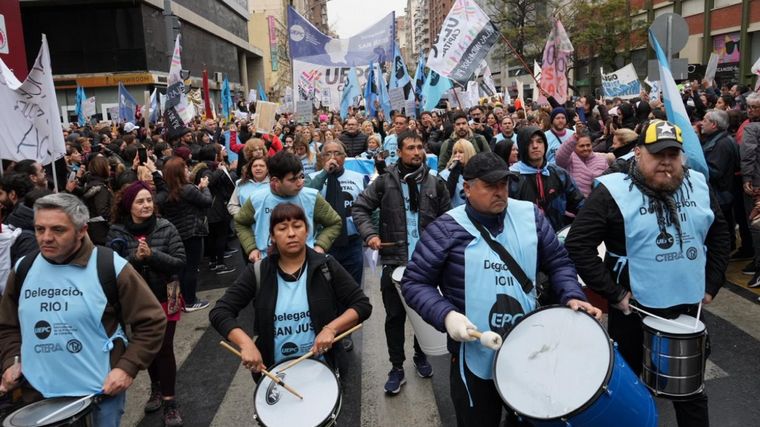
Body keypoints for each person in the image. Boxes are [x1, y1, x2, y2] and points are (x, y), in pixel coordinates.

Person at [401, 152, 601, 427]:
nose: (500, 192)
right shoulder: (446, 228)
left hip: (530, 347)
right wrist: (447, 316)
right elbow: (415, 282)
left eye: (504, 184)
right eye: (490, 186)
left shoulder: (530, 216)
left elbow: (558, 262)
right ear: (467, 189)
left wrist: (572, 295)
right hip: (474, 352)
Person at [564, 120, 730, 427]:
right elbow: (578, 244)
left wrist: (712, 283)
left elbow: (719, 233)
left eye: (673, 155)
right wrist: (615, 294)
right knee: (630, 396)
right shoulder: (612, 191)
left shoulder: (697, 183)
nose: (666, 163)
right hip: (634, 313)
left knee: (691, 393)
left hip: (687, 311)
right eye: (658, 155)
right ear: (638, 153)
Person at [0, 193, 166, 427]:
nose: (46, 238)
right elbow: (8, 326)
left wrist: (126, 368)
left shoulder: (109, 266)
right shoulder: (23, 269)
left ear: (81, 230)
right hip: (38, 394)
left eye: (58, 230)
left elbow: (152, 321)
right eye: (39, 229)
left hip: (98, 394)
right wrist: (11, 360)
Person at [209, 202, 371, 378]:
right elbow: (220, 312)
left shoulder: (326, 266)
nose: (291, 233)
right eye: (282, 228)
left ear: (307, 231)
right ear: (272, 235)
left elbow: (361, 304)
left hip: (323, 371)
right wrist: (246, 343)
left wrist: (331, 329)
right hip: (276, 375)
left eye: (297, 226)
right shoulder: (258, 271)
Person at [352, 130, 451, 394]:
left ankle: (421, 355)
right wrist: (370, 235)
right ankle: (397, 367)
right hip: (394, 261)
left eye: (420, 147)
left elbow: (448, 220)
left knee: (423, 314)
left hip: (427, 263)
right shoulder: (385, 182)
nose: (417, 152)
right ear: (399, 151)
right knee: (394, 317)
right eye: (411, 148)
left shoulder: (436, 183)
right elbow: (359, 207)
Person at [107, 181, 186, 426]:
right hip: (136, 302)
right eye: (140, 201)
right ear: (128, 205)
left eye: (149, 200)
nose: (146, 205)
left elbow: (179, 262)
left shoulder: (166, 227)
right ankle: (156, 387)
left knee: (164, 349)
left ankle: (170, 402)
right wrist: (135, 258)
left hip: (167, 295)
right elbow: (111, 268)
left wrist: (153, 256)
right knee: (147, 349)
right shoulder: (117, 232)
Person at [235, 151, 342, 262]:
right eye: (292, 179)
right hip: (267, 263)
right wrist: (251, 248)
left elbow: (334, 222)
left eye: (301, 176)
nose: (300, 182)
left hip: (306, 263)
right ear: (275, 181)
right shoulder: (256, 199)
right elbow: (240, 223)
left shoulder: (312, 197)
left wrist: (320, 246)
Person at [156, 157, 212, 312]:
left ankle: (176, 302)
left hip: (175, 234)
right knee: (191, 268)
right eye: (185, 168)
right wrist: (205, 187)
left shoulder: (165, 191)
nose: (188, 171)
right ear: (180, 172)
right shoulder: (187, 189)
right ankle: (190, 301)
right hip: (192, 232)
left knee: (178, 269)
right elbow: (207, 201)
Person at [509, 126, 585, 231]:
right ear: (522, 146)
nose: (535, 146)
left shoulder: (558, 173)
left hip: (559, 235)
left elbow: (579, 202)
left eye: (539, 141)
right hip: (529, 238)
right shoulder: (512, 178)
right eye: (529, 142)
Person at [555, 125, 614, 197]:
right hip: (575, 203)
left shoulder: (602, 159)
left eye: (588, 145)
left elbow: (608, 182)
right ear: (574, 146)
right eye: (581, 146)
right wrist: (575, 137)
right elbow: (559, 157)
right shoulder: (570, 159)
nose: (585, 148)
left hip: (598, 202)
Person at [439, 139, 477, 208]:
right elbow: (447, 196)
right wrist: (455, 170)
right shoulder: (445, 174)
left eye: (461, 152)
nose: (457, 155)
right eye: (455, 153)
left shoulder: (477, 172)